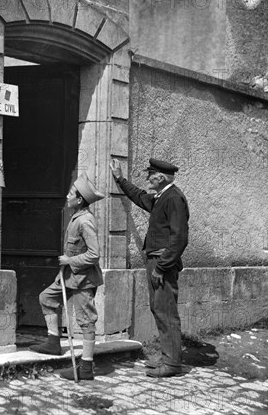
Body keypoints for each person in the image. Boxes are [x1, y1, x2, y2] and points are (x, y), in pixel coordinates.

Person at [110, 158, 189, 377]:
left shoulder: (173, 198)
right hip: (157, 260)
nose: (147, 179)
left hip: (162, 261)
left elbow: (179, 238)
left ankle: (172, 365)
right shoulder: (162, 197)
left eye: (150, 175)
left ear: (161, 177)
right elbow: (139, 197)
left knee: (166, 311)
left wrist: (162, 267)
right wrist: (120, 179)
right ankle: (167, 358)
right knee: (159, 308)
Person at [30, 172, 105, 381]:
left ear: (79, 199)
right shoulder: (76, 217)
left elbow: (94, 254)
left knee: (86, 321)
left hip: (82, 279)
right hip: (67, 276)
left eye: (71, 193)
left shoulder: (85, 221)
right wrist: (65, 267)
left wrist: (69, 261)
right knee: (46, 298)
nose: (67, 196)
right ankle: (53, 342)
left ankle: (86, 368)